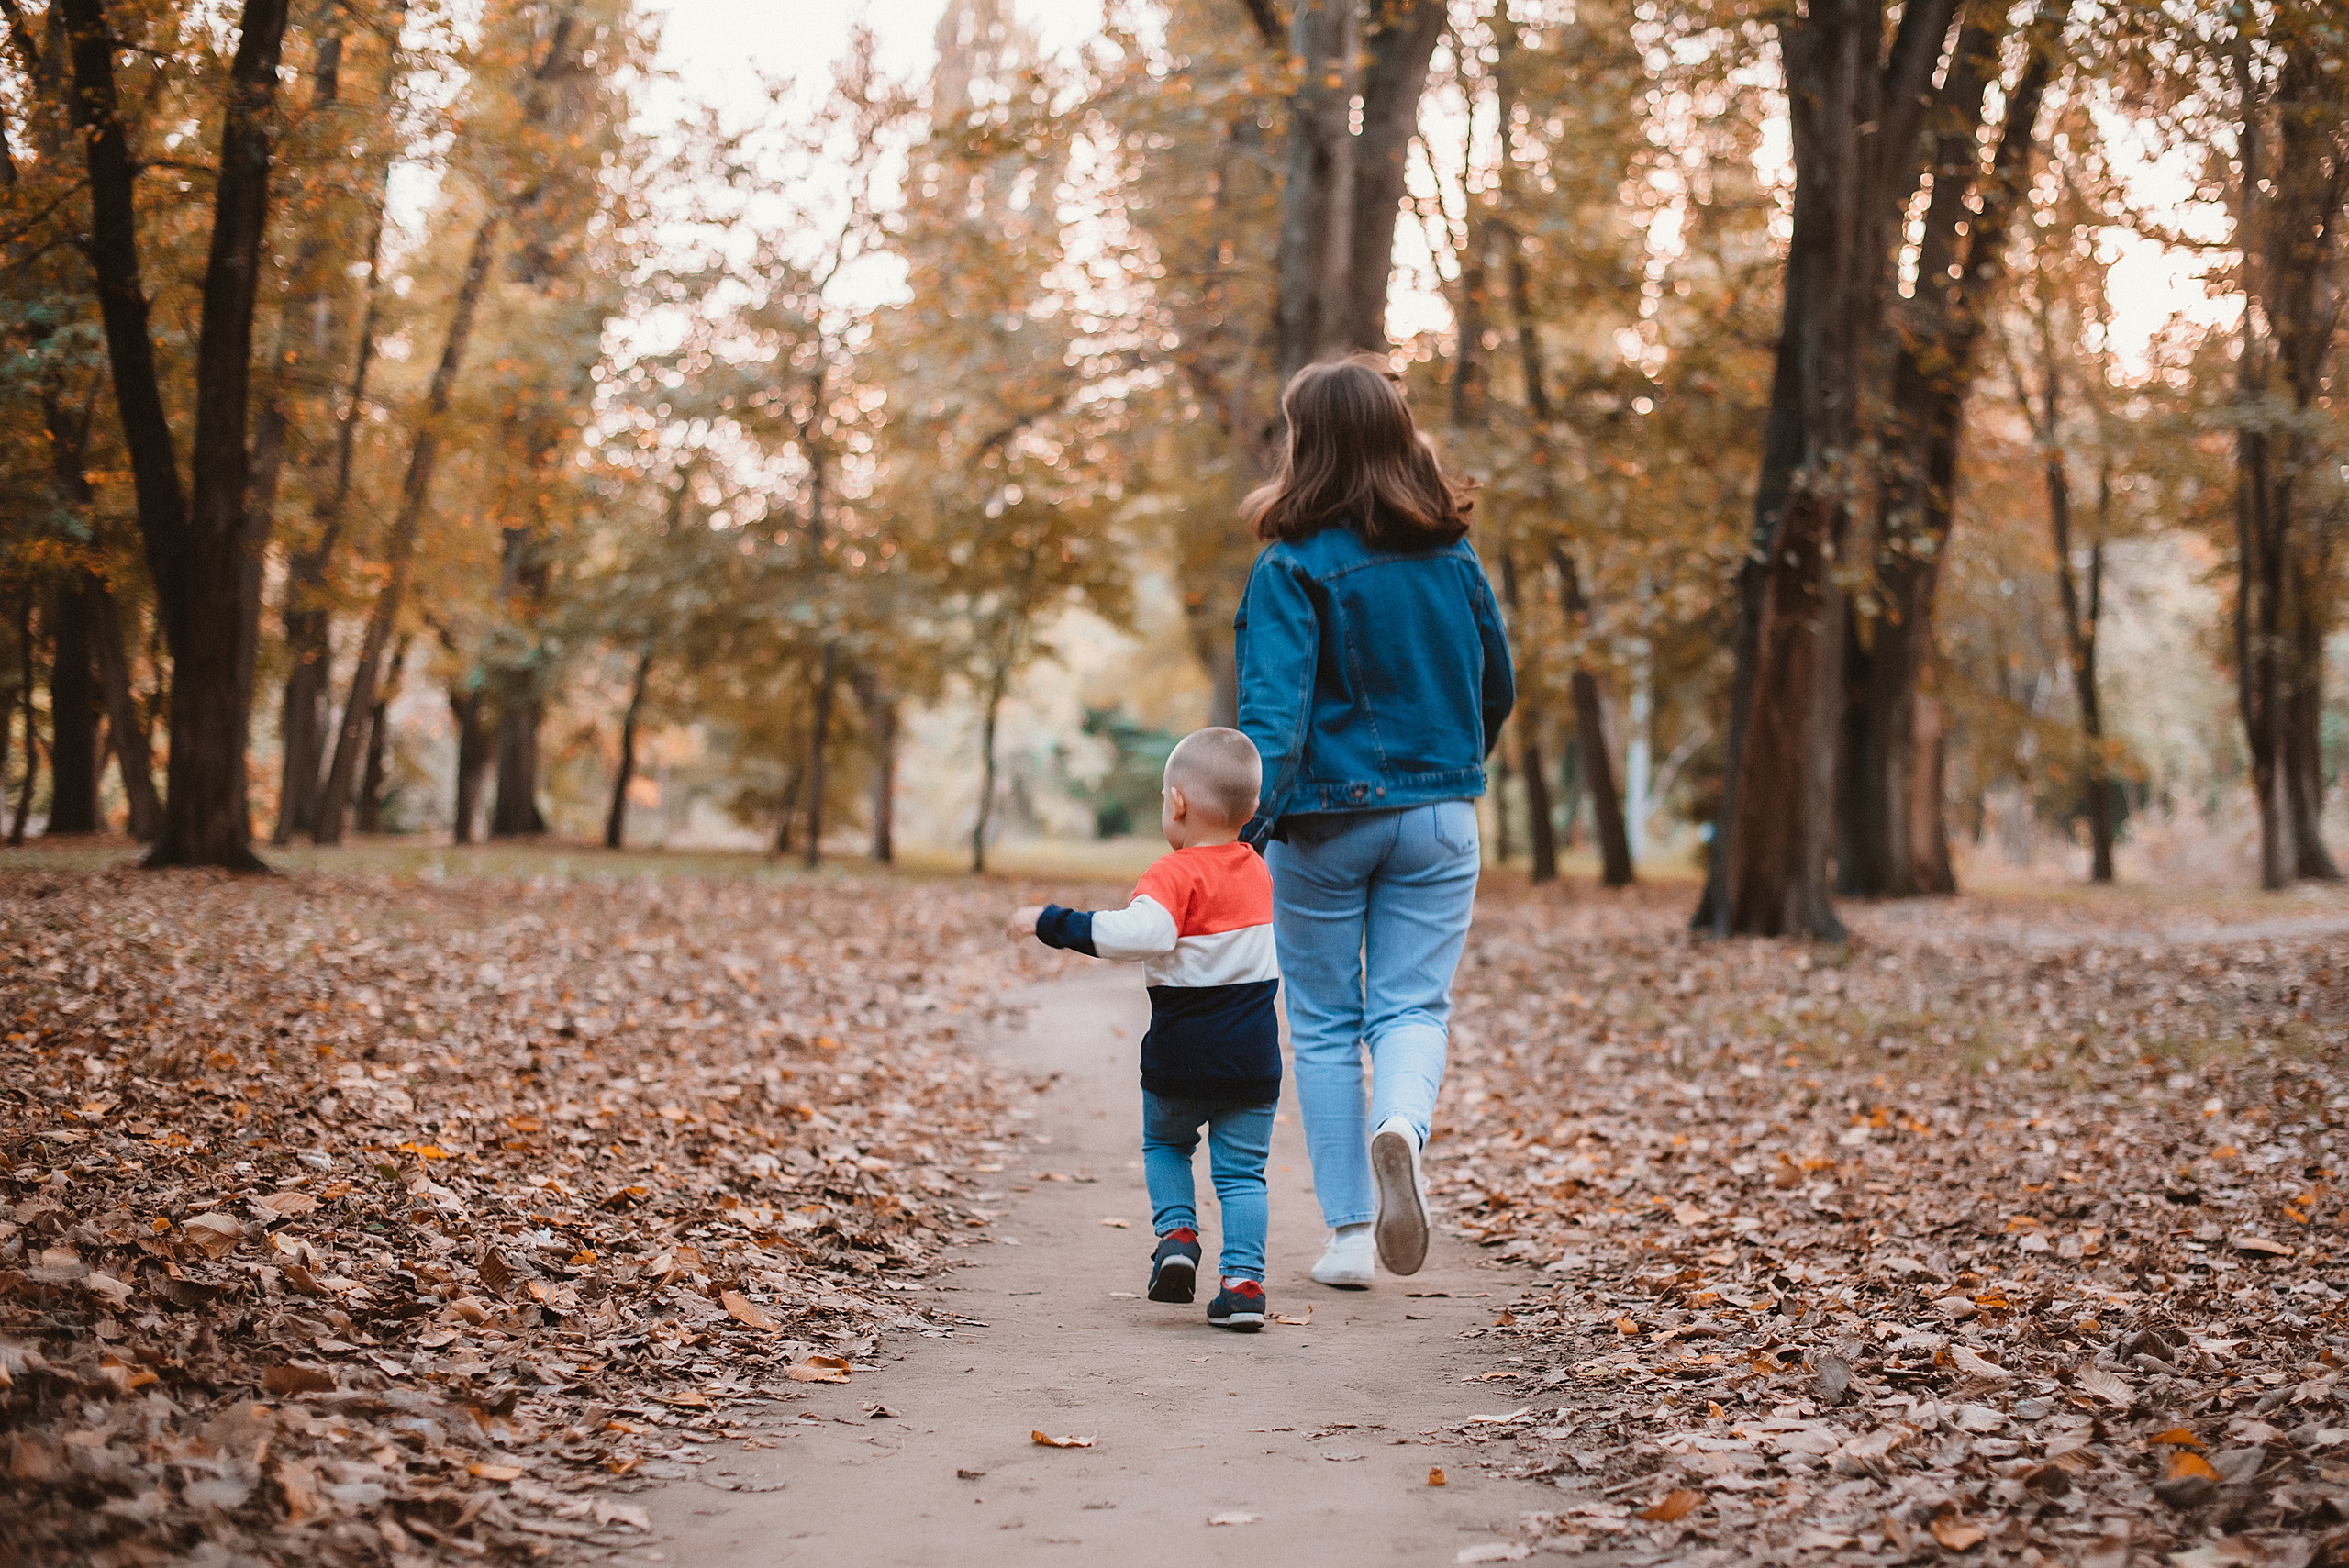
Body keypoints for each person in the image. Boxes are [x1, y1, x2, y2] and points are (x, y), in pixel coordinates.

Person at [1233, 352, 1512, 1288]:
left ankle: (1351, 1234)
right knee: (1412, 1006)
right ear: (1397, 436)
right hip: (1440, 813)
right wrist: (1450, 767)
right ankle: (1403, 1121)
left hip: (1323, 823)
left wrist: (1247, 828)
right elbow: (1495, 681)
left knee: (1319, 1023)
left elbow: (1273, 720)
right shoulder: (1452, 554)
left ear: (1306, 443)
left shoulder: (1290, 565)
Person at [1008, 728, 1282, 1331]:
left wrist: (1052, 921)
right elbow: (1249, 838)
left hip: (1179, 1063)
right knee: (1242, 1175)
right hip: (1253, 1066)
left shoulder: (1171, 874)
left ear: (1177, 805)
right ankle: (1242, 1285)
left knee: (1165, 1144)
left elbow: (1138, 935)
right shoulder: (1256, 870)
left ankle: (1177, 1235)